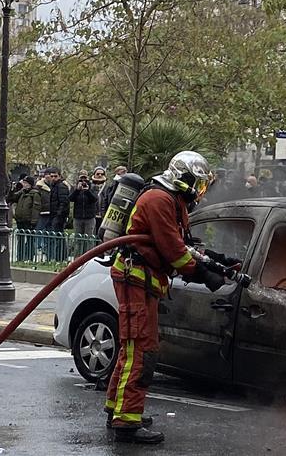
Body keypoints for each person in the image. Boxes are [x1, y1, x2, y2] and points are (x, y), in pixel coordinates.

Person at [104, 151, 231, 444]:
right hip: (136, 278)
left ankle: (117, 408)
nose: (200, 191)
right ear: (184, 179)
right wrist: (204, 275)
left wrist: (216, 260)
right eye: (198, 184)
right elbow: (174, 252)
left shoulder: (172, 200)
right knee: (142, 349)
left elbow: (183, 244)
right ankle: (127, 422)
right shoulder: (159, 200)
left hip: (144, 279)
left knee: (132, 347)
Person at [8, 175, 40, 261]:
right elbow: (11, 198)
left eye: (26, 183)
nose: (24, 185)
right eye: (24, 183)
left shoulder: (35, 193)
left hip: (29, 220)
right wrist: (12, 189)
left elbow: (36, 208)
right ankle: (20, 257)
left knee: (30, 239)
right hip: (20, 219)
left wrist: (34, 221)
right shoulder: (22, 192)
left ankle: (29, 257)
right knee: (21, 239)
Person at [69, 170, 98, 238]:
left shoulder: (93, 187)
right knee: (78, 237)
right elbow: (70, 198)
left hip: (89, 217)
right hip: (78, 217)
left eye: (85, 178)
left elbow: (95, 199)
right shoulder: (74, 187)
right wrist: (77, 190)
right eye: (81, 178)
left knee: (88, 237)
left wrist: (87, 191)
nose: (83, 180)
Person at [90, 166, 107, 232]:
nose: (100, 175)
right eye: (98, 174)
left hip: (103, 215)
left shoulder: (107, 186)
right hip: (92, 214)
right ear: (94, 174)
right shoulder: (89, 186)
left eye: (102, 174)